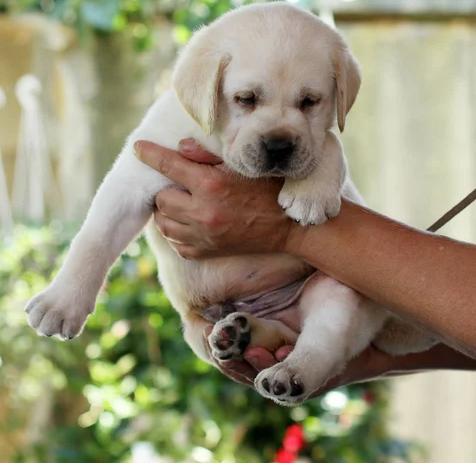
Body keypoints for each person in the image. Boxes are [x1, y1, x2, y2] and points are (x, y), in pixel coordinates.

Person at [134, 138, 476, 397]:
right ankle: (268, 334)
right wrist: (360, 355)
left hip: (307, 287)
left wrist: (291, 231)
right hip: (225, 314)